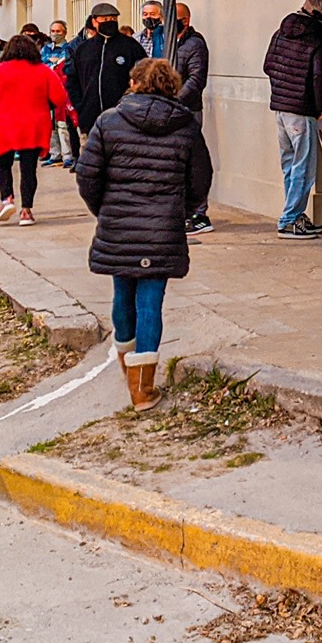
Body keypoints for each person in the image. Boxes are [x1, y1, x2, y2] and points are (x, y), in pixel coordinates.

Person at [76, 57, 213, 410]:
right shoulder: (185, 127)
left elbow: (87, 176)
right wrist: (180, 212)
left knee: (122, 293)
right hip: (162, 228)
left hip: (118, 224)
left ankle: (127, 368)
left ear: (134, 84)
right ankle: (143, 389)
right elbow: (200, 180)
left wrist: (104, 210)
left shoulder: (109, 122)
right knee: (150, 301)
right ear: (172, 86)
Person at [0, 33, 73, 226]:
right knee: (28, 169)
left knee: (3, 165)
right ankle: (26, 211)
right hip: (33, 126)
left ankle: (7, 200)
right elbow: (60, 98)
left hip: (2, 126)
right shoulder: (43, 71)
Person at [262, 0, 322, 240]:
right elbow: (319, 75)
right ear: (319, 16)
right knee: (304, 166)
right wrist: (321, 106)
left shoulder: (279, 33)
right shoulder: (319, 39)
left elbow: (267, 66)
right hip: (302, 110)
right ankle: (290, 219)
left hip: (280, 107)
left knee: (289, 164)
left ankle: (294, 214)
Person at [65, 3, 148, 153]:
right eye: (104, 19)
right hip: (90, 119)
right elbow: (72, 80)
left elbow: (144, 77)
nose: (109, 21)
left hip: (123, 117)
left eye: (113, 18)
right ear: (95, 22)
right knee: (91, 162)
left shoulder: (130, 46)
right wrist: (81, 106)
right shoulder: (83, 50)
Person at [169, 2, 213, 234]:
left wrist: (176, 101)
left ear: (185, 21)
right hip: (169, 109)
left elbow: (196, 79)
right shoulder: (167, 41)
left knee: (193, 162)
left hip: (187, 110)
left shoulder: (195, 44)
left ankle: (199, 213)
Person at [40, 20, 77, 168]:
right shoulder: (46, 49)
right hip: (46, 90)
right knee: (50, 125)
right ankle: (55, 154)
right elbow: (42, 64)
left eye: (58, 31)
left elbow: (61, 65)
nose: (55, 34)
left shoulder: (69, 49)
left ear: (65, 32)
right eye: (53, 31)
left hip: (63, 90)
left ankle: (67, 155)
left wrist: (51, 63)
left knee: (63, 124)